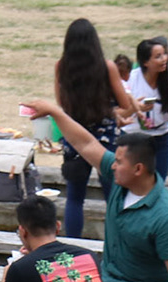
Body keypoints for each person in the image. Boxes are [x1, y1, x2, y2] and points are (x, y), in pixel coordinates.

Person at [26, 96, 168, 282]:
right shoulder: (122, 181)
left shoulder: (167, 216)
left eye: (119, 162)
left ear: (138, 169)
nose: (112, 165)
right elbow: (86, 145)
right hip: (107, 280)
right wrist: (55, 112)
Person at [54, 18, 137, 241]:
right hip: (105, 135)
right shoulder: (107, 67)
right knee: (113, 195)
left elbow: (60, 102)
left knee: (75, 197)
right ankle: (117, 242)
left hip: (74, 135)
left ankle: (73, 242)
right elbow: (124, 103)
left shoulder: (61, 66)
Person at [0, 195, 110, 282]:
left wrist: (8, 272)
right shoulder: (89, 256)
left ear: (23, 231)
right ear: (58, 226)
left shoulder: (20, 269)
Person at [121, 36, 168, 178]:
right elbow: (118, 114)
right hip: (133, 138)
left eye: (165, 54)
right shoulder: (131, 79)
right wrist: (135, 108)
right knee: (131, 181)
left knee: (158, 182)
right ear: (145, 62)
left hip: (162, 137)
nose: (164, 59)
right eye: (158, 56)